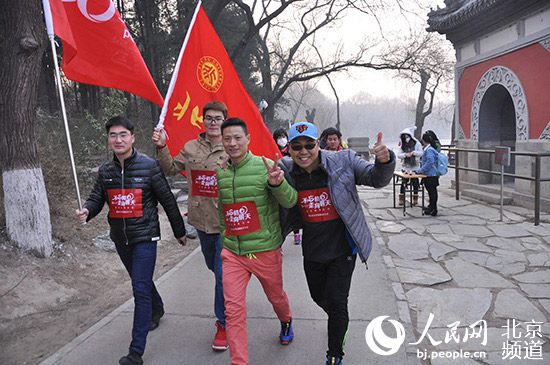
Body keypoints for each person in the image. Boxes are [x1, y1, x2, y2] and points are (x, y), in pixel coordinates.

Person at [279, 122, 395, 365]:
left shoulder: (344, 160)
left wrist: (385, 161)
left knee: (339, 302)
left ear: (318, 145)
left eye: (309, 145)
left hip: (343, 249)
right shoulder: (285, 170)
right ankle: (334, 315)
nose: (304, 151)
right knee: (319, 297)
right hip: (313, 250)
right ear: (289, 148)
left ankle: (334, 355)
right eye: (297, 146)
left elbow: (375, 178)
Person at [76, 116, 186, 365]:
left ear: (133, 138)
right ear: (108, 139)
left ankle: (136, 352)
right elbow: (97, 198)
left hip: (145, 236)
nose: (118, 139)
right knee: (142, 281)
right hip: (120, 238)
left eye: (123, 134)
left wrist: (180, 230)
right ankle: (157, 308)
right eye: (113, 135)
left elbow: (168, 201)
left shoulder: (149, 166)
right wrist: (87, 211)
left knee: (139, 288)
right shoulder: (105, 171)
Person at [217, 118, 297, 365]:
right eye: (227, 138)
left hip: (263, 250)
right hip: (233, 253)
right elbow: (223, 211)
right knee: (233, 310)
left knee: (276, 297)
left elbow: (290, 201)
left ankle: (286, 320)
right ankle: (239, 361)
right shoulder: (221, 170)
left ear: (248, 139)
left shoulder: (266, 166)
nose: (232, 143)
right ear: (222, 141)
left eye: (237, 137)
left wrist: (278, 183)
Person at [151, 100, 229, 351]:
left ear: (224, 121)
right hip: (201, 221)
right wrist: (162, 146)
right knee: (213, 267)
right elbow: (171, 169)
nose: (213, 122)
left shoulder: (232, 145)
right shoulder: (191, 147)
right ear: (202, 120)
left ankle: (224, 323)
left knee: (222, 277)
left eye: (218, 118)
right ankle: (231, 297)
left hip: (227, 224)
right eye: (209, 118)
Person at [272, 128, 301, 245]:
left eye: (283, 136)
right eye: (279, 137)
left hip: (291, 183)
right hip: (278, 185)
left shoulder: (290, 151)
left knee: (294, 207)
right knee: (281, 214)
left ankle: (296, 233)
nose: (281, 139)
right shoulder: (272, 150)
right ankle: (280, 242)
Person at [396, 126, 423, 206]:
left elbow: (421, 153)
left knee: (415, 182)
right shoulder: (403, 145)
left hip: (415, 166)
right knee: (404, 182)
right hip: (405, 167)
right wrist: (405, 155)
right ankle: (401, 198)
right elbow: (398, 155)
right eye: (404, 136)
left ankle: (415, 198)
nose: (406, 137)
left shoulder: (417, 144)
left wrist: (413, 153)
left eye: (407, 135)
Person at [416, 131, 440, 216]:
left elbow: (430, 162)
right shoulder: (431, 148)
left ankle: (433, 209)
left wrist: (420, 170)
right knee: (432, 191)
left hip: (431, 174)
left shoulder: (429, 150)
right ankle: (432, 207)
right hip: (431, 174)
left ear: (423, 141)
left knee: (432, 192)